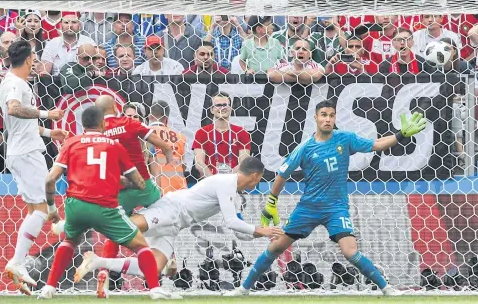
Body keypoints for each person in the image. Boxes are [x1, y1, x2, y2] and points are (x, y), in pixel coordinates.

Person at [224, 100, 427, 297]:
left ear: (335, 118)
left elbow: (378, 144)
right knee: (275, 247)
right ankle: (244, 289)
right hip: (308, 208)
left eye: (331, 115)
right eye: (324, 115)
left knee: (350, 252)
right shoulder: (305, 148)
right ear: (316, 118)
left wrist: (400, 135)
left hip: (336, 208)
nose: (328, 119)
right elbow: (282, 175)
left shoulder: (345, 139)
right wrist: (271, 202)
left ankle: (386, 289)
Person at [37, 106, 176, 300]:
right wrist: (119, 180)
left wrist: (52, 209)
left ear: (82, 125)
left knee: (69, 241)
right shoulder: (114, 146)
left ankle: (48, 288)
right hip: (105, 207)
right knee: (140, 244)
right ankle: (155, 289)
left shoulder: (71, 144)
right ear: (103, 123)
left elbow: (50, 179)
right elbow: (138, 181)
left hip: (75, 205)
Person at [73, 157, 285, 283]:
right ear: (255, 176)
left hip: (176, 225)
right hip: (171, 209)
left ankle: (97, 262)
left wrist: (262, 231)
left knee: (153, 269)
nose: (258, 182)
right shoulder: (226, 182)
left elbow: (238, 229)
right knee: (127, 226)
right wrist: (260, 230)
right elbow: (231, 222)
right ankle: (83, 218)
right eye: (259, 179)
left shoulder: (235, 196)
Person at [0, 40, 67, 295]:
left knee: (34, 210)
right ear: (27, 59)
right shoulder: (15, 84)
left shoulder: (14, 82)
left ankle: (19, 263)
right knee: (41, 210)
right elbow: (14, 110)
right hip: (26, 154)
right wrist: (47, 114)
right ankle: (18, 261)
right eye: (35, 57)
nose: (36, 61)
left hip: (24, 150)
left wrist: (50, 132)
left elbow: (23, 124)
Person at [93, 95, 174, 298]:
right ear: (115, 106)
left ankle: (104, 273)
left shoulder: (98, 131)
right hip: (143, 184)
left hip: (117, 189)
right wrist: (168, 152)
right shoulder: (129, 123)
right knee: (166, 214)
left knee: (114, 233)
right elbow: (157, 141)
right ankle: (168, 261)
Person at [193, 92, 251, 177]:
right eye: (218, 105)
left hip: (233, 182)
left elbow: (244, 163)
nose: (222, 108)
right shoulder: (202, 132)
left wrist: (227, 179)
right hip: (209, 183)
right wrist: (214, 181)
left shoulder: (241, 132)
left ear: (230, 108)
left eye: (225, 105)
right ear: (211, 110)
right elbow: (199, 163)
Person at [148, 100, 188, 195]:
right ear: (167, 119)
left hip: (156, 189)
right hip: (179, 189)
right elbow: (182, 165)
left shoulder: (145, 134)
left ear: (149, 116)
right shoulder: (180, 137)